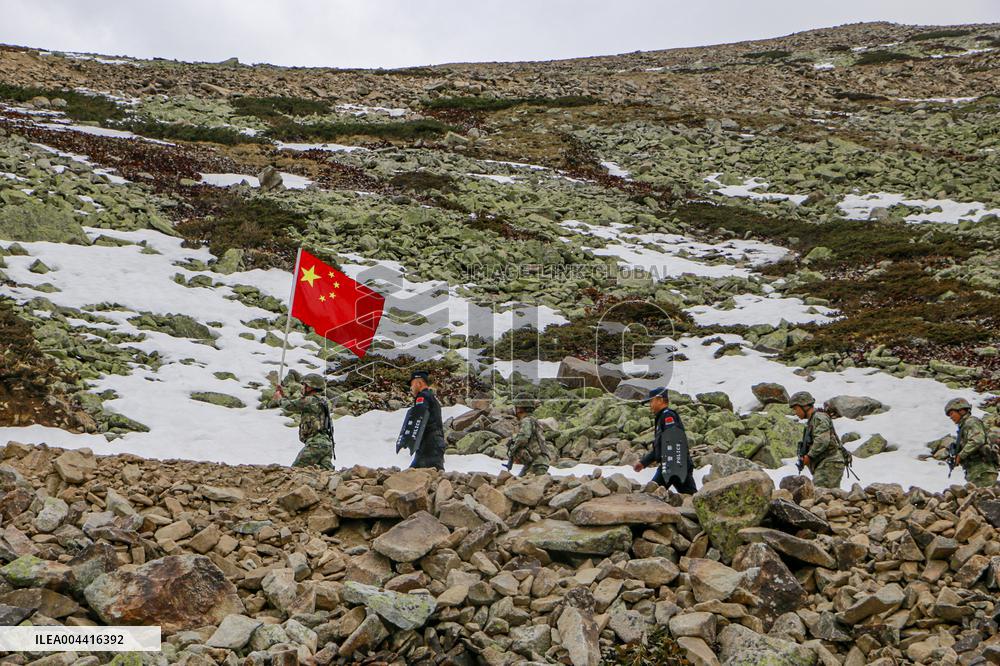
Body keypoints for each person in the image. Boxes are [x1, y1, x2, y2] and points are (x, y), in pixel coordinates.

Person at [633, 387, 697, 493]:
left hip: (673, 465)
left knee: (651, 494)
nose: (650, 404)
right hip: (675, 464)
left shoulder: (667, 415)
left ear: (660, 400)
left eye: (651, 401)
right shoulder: (662, 417)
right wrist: (643, 463)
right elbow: (660, 447)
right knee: (690, 496)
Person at [271, 373, 334, 470]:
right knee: (326, 475)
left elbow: (289, 406)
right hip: (327, 445)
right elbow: (298, 403)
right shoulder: (323, 401)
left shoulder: (310, 400)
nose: (302, 388)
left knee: (294, 471)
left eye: (304, 385)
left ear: (310, 387)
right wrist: (284, 396)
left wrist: (279, 399)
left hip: (315, 445)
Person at [789, 391, 845, 489]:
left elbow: (822, 441)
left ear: (804, 406)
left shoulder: (819, 418)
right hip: (825, 464)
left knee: (820, 494)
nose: (795, 412)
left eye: (795, 408)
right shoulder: (812, 420)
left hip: (830, 462)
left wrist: (809, 457)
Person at [396, 370, 446, 471]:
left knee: (430, 473)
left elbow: (419, 415)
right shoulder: (431, 397)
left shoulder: (423, 396)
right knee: (417, 472)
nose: (411, 388)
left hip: (430, 442)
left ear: (419, 383)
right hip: (430, 442)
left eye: (412, 384)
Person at [945, 397, 998, 487]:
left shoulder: (971, 422)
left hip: (982, 471)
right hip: (976, 472)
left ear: (961, 410)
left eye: (952, 413)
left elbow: (978, 440)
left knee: (984, 499)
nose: (951, 417)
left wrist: (960, 456)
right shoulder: (964, 426)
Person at [507, 394, 551, 477]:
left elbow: (523, 438)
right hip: (536, 462)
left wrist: (512, 450)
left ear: (519, 408)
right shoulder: (533, 420)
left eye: (515, 407)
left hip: (537, 462)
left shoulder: (526, 421)